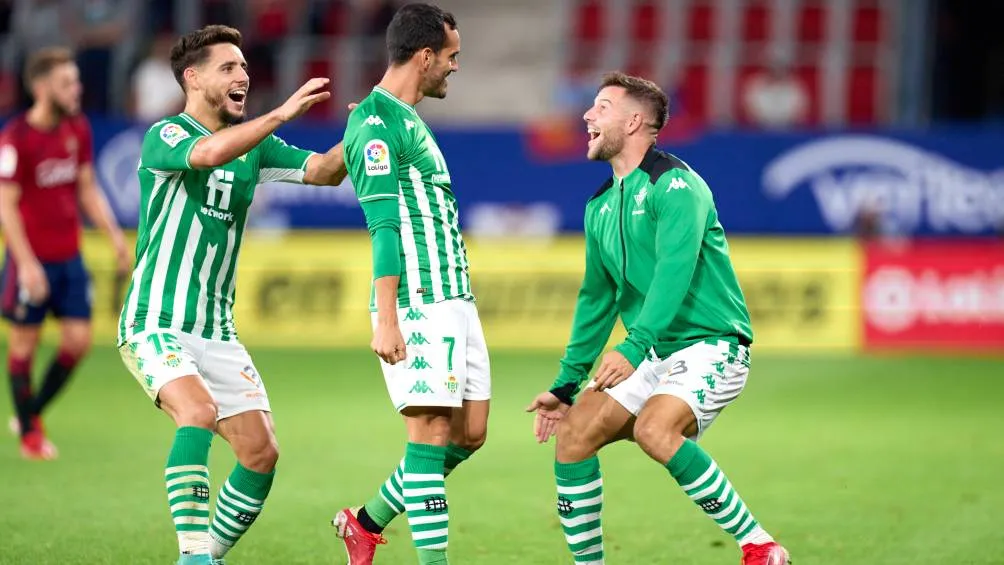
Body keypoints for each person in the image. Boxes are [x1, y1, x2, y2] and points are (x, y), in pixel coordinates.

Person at [525, 72, 791, 565]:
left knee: (654, 430)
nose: (587, 115)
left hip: (713, 344)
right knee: (574, 435)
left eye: (601, 107)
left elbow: (674, 272)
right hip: (656, 351)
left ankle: (759, 545)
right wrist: (566, 385)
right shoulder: (600, 203)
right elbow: (597, 297)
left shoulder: (677, 186)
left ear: (634, 121)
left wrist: (632, 346)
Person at [115, 25, 348, 565]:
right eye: (229, 68)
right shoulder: (166, 135)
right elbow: (208, 154)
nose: (244, 75)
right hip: (155, 320)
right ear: (192, 79)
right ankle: (195, 554)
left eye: (245, 67)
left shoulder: (256, 147)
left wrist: (370, 121)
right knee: (196, 413)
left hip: (216, 331)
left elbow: (323, 171)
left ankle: (205, 557)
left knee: (260, 452)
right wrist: (283, 114)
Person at [332, 4, 489, 565]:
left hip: (455, 298)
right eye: (451, 58)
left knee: (470, 434)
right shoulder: (377, 124)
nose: (454, 68)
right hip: (419, 299)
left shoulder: (401, 117)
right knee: (426, 436)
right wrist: (387, 314)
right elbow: (384, 227)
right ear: (425, 57)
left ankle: (365, 522)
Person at [0, 46, 130, 460]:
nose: (77, 89)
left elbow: (88, 188)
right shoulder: (16, 139)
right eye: (67, 83)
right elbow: (5, 206)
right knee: (23, 345)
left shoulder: (77, 129)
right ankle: (30, 439)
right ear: (41, 88)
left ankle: (29, 413)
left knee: (78, 341)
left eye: (75, 81)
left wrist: (114, 236)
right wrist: (26, 265)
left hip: (69, 258)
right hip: (30, 261)